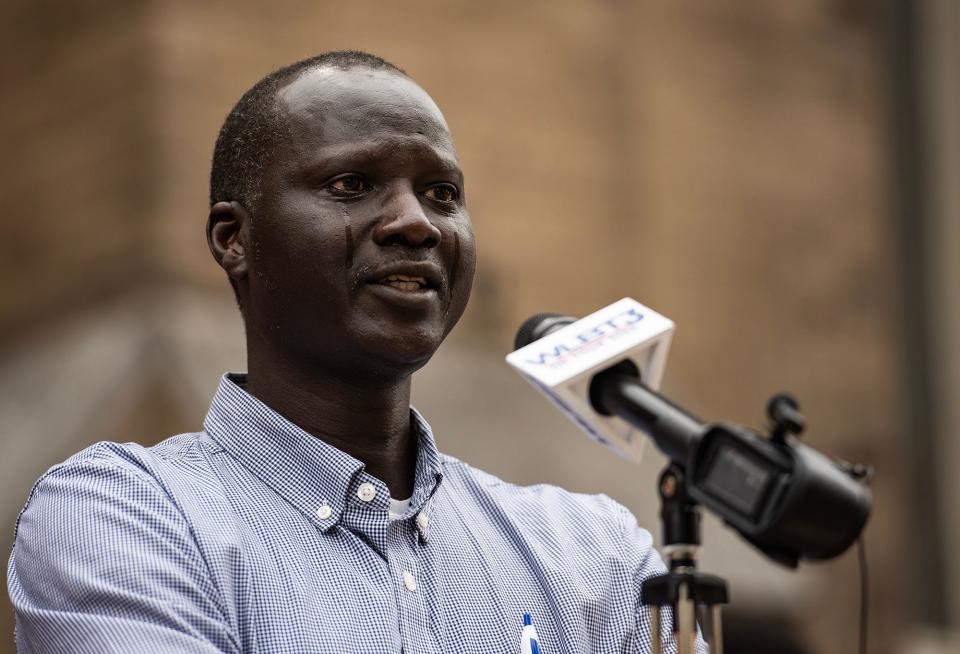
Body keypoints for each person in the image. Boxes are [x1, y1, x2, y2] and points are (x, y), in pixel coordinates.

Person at [7, 51, 705, 653]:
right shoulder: (126, 518)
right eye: (351, 186)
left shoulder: (597, 557)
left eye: (442, 193)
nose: (415, 223)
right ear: (233, 239)